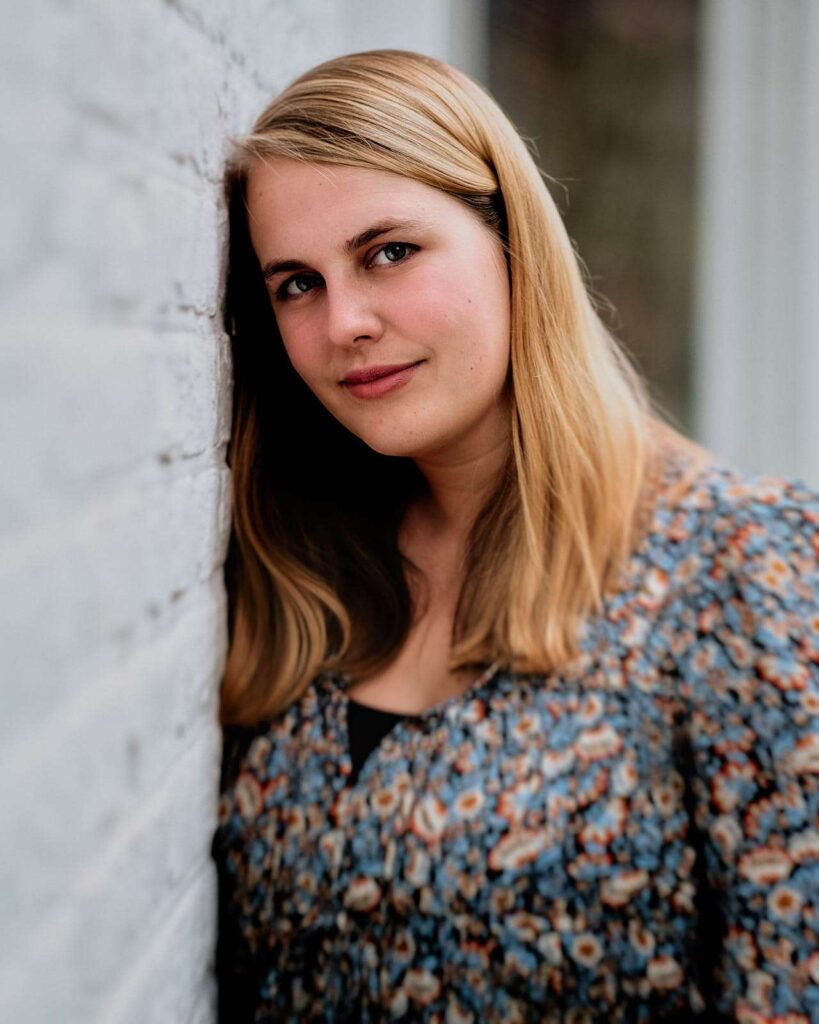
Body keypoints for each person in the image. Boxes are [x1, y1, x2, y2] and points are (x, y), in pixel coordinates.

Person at [211, 49, 819, 1024]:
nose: (345, 323)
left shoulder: (743, 562)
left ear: (510, 240)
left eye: (389, 252)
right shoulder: (293, 572)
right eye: (296, 283)